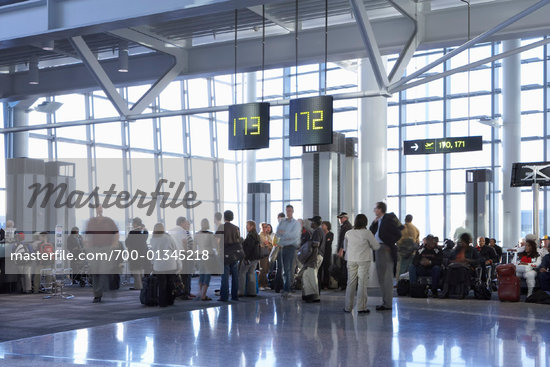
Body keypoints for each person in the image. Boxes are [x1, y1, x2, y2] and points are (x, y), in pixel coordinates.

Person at [343, 214, 380, 313]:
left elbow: (345, 247)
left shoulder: (348, 233)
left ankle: (348, 307)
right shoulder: (367, 233)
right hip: (363, 260)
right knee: (362, 283)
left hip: (351, 259)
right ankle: (361, 307)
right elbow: (376, 246)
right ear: (365, 222)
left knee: (350, 283)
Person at [370, 202, 402, 311]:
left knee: (386, 278)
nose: (374, 210)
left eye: (375, 208)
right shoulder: (378, 221)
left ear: (380, 209)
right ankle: (385, 302)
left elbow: (398, 234)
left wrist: (389, 244)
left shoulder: (387, 219)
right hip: (378, 249)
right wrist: (374, 223)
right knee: (381, 277)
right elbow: (371, 232)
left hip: (385, 249)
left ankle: (387, 303)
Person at [84, 215, 119, 303]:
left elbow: (116, 233)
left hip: (107, 248)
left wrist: (114, 244)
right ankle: (97, 294)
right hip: (94, 249)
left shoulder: (109, 220)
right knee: (95, 271)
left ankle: (104, 289)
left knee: (104, 270)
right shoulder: (91, 221)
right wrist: (87, 245)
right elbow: (87, 234)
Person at [150, 223, 180, 307]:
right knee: (170, 283)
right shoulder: (168, 238)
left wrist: (152, 263)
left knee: (161, 284)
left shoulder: (152, 239)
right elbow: (175, 250)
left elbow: (152, 253)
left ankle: (162, 302)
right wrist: (178, 263)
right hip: (170, 264)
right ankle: (170, 300)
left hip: (159, 265)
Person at [275, 205, 301, 298]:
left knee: (288, 269)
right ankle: (286, 288)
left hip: (291, 247)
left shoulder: (296, 223)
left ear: (293, 211)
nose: (288, 212)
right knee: (283, 269)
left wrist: (284, 234)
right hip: (283, 247)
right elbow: (278, 233)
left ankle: (287, 289)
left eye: (290, 210)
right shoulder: (282, 222)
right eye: (287, 211)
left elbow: (294, 235)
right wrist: (286, 235)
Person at [169, 217, 194, 300]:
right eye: (185, 223)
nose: (186, 224)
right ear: (182, 223)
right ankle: (185, 294)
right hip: (183, 254)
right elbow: (184, 242)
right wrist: (187, 253)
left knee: (177, 275)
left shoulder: (171, 230)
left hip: (175, 254)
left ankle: (178, 292)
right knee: (185, 275)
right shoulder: (182, 230)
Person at [219, 210, 242, 302]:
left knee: (225, 276)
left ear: (224, 217)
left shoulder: (221, 227)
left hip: (225, 254)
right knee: (235, 276)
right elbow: (238, 240)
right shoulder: (236, 228)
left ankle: (224, 296)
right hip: (234, 254)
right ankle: (234, 295)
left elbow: (217, 241)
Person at [301, 216, 325, 303]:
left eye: (312, 222)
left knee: (310, 275)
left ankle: (314, 296)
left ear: (315, 223)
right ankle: (310, 294)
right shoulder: (320, 231)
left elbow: (316, 245)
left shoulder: (317, 232)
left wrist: (311, 259)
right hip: (319, 256)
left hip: (315, 256)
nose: (310, 224)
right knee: (309, 274)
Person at [194, 218, 217, 301]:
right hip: (209, 255)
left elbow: (194, 247)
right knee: (207, 275)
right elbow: (214, 246)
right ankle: (204, 295)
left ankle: (200, 292)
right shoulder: (210, 234)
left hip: (200, 255)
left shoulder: (196, 234)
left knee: (201, 274)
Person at [125, 218, 149, 290]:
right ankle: (141, 285)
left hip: (134, 253)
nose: (132, 224)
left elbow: (127, 243)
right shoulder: (144, 232)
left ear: (135, 223)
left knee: (135, 270)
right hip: (143, 253)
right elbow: (145, 238)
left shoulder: (132, 232)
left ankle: (138, 286)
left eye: (133, 223)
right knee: (141, 269)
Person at [239, 220, 260, 297]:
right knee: (251, 273)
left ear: (252, 226)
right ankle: (252, 292)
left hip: (249, 258)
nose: (246, 227)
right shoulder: (256, 235)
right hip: (256, 258)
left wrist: (245, 258)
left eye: (247, 225)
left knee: (242, 273)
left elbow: (249, 248)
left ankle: (241, 292)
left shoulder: (250, 235)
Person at [397, 214, 420, 279]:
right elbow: (417, 242)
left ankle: (400, 283)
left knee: (401, 268)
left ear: (405, 219)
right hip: (413, 252)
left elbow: (399, 240)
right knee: (410, 270)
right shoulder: (416, 229)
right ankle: (408, 284)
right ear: (411, 219)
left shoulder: (402, 228)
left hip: (403, 253)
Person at [336, 212, 353, 290]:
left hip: (345, 250)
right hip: (344, 249)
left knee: (344, 267)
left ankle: (343, 285)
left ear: (345, 218)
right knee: (343, 267)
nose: (340, 219)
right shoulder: (345, 226)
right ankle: (343, 285)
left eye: (341, 218)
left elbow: (344, 239)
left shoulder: (346, 226)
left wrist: (341, 249)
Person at [318, 221, 333, 290]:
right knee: (319, 269)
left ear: (327, 226)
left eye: (323, 225)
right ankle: (319, 284)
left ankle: (326, 285)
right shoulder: (321, 234)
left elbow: (328, 243)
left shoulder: (330, 234)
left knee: (326, 269)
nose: (322, 226)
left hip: (327, 254)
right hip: (321, 254)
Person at [259, 223, 274, 290]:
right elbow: (265, 243)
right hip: (263, 254)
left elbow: (271, 244)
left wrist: (269, 244)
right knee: (262, 269)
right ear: (261, 228)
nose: (265, 228)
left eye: (266, 227)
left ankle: (265, 284)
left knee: (266, 269)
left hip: (268, 253)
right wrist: (268, 244)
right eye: (264, 227)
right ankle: (260, 285)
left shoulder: (267, 235)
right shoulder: (260, 235)